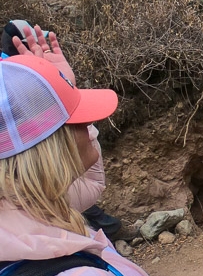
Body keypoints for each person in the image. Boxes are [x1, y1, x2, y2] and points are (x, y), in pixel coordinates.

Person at [0, 50, 186, 276]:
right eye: (79, 119)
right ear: (53, 148)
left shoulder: (21, 220)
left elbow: (90, 183)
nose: (92, 127)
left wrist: (64, 88)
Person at [4, 20, 121, 239]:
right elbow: (93, 183)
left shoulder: (31, 208)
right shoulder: (76, 270)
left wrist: (65, 88)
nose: (88, 124)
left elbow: (92, 184)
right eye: (75, 122)